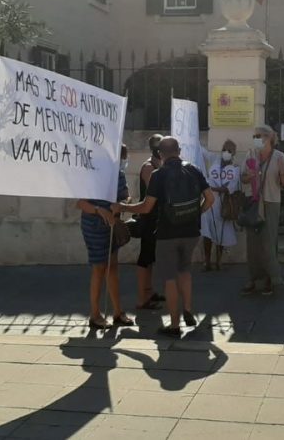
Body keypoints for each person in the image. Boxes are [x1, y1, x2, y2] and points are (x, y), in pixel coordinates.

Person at [115, 137, 213, 337]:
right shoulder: (194, 169)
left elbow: (146, 207)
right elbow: (210, 198)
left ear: (160, 154)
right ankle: (187, 308)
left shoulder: (159, 175)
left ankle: (174, 324)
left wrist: (122, 207)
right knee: (185, 271)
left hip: (167, 233)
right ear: (179, 150)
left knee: (169, 278)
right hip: (191, 231)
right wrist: (196, 214)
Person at [76, 144, 134, 329]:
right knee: (99, 268)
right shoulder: (91, 173)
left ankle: (118, 312)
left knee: (113, 267)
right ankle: (95, 314)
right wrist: (100, 210)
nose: (123, 161)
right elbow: (80, 203)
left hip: (112, 226)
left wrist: (123, 204)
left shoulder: (119, 175)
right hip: (94, 226)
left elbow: (126, 196)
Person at [241, 125, 284, 296]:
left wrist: (283, 172)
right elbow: (243, 179)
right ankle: (254, 278)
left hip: (271, 202)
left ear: (269, 137)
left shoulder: (279, 156)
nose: (256, 138)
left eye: (259, 135)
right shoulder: (251, 154)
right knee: (252, 242)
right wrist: (249, 176)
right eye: (254, 135)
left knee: (268, 241)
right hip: (253, 202)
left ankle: (272, 278)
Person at [200, 139, 240, 271]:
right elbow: (203, 152)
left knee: (220, 234)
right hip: (209, 203)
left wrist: (212, 188)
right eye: (224, 149)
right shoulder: (215, 159)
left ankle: (218, 260)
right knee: (207, 232)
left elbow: (229, 189)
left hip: (223, 205)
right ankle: (207, 261)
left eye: (229, 150)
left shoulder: (234, 169)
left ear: (233, 153)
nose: (226, 152)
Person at [135, 134, 165, 311]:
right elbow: (155, 191)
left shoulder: (158, 165)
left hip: (155, 217)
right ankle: (141, 298)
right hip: (148, 217)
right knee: (144, 258)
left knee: (150, 258)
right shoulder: (148, 167)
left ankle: (149, 290)